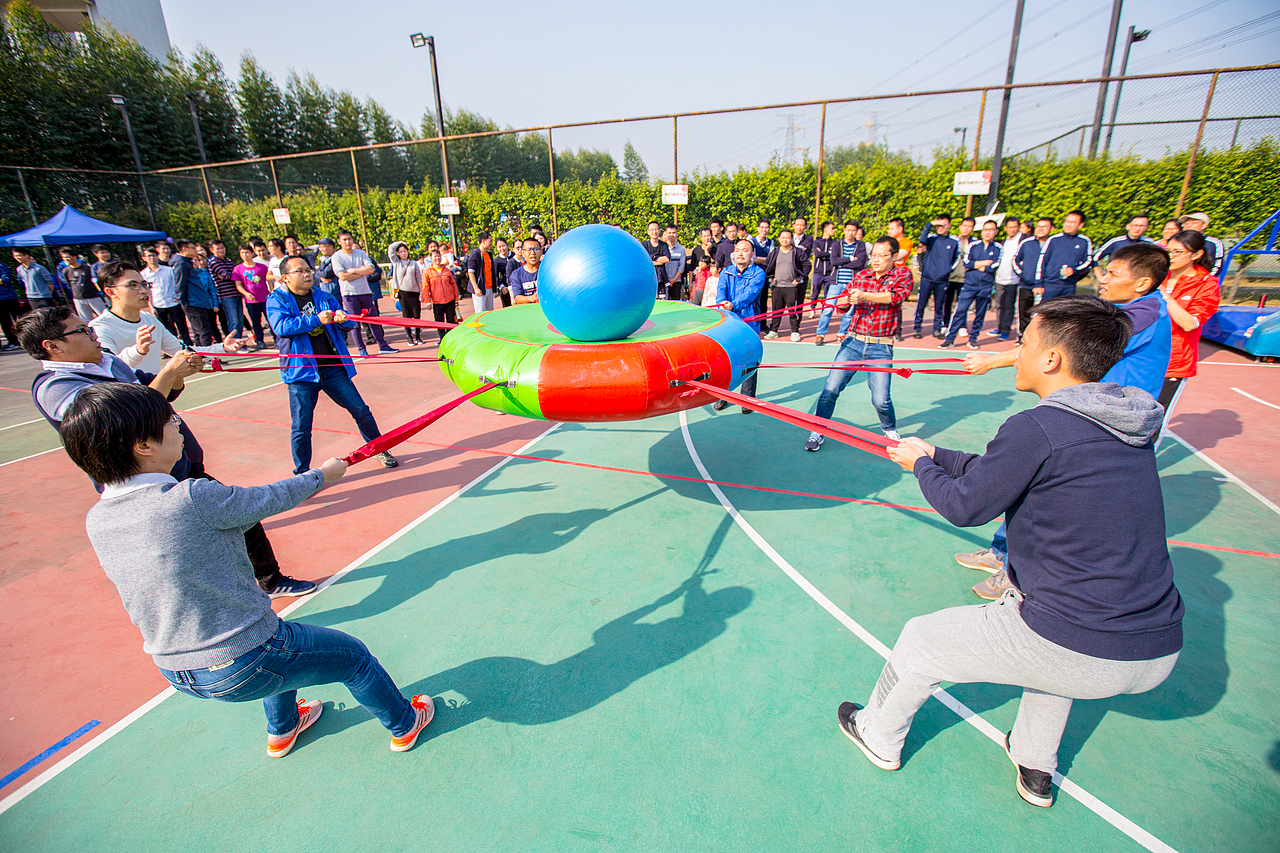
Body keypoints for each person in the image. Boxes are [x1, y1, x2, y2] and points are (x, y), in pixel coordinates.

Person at [841, 294, 1182, 809]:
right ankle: (1035, 761)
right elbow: (1007, 471)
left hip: (1085, 644)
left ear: (1051, 358)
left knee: (922, 639)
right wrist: (938, 454)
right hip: (1156, 645)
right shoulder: (1122, 423)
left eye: (1023, 343)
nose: (1016, 354)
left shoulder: (1038, 426)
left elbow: (965, 505)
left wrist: (920, 467)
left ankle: (876, 734)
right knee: (1056, 651)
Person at [62, 382, 433, 757]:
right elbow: (271, 498)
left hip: (176, 670)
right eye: (170, 419)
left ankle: (283, 728)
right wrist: (323, 475)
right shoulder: (191, 497)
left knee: (285, 647)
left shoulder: (98, 519)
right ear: (144, 445)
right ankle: (405, 723)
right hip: (244, 660)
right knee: (351, 658)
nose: (177, 424)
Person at [21, 304, 314, 598]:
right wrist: (169, 372)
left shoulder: (108, 362)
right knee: (193, 549)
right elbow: (126, 420)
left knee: (244, 518)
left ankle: (269, 580)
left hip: (178, 465)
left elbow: (155, 388)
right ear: (53, 346)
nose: (93, 334)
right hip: (144, 484)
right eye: (83, 331)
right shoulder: (56, 387)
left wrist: (178, 373)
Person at [957, 242, 1172, 596]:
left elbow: (1057, 345)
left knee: (1049, 497)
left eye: (1113, 273)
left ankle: (1018, 572)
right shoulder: (1141, 308)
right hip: (1097, 413)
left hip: (1104, 422)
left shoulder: (1139, 316)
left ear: (1142, 282)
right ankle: (1003, 554)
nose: (1103, 279)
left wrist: (991, 361)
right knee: (1037, 486)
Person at [266, 254, 399, 474]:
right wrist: (316, 319)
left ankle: (378, 449)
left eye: (308, 270)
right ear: (286, 277)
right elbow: (282, 327)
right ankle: (302, 474)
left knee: (361, 411)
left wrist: (342, 319)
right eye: (300, 271)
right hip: (302, 373)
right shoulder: (277, 300)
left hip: (333, 368)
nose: (307, 274)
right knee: (301, 426)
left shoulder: (323, 296)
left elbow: (345, 324)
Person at [804, 236, 910, 451]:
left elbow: (896, 296)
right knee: (830, 390)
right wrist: (845, 299)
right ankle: (818, 430)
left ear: (894, 256)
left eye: (882, 256)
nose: (876, 260)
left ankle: (889, 430)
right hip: (853, 342)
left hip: (881, 347)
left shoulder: (902, 274)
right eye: (874, 255)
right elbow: (842, 304)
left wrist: (864, 296)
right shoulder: (861, 276)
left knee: (881, 399)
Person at [91, 260, 241, 374]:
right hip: (128, 403)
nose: (143, 291)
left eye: (144, 284)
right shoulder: (99, 328)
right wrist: (137, 351)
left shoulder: (149, 319)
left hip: (155, 397)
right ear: (111, 292)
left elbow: (184, 351)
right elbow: (108, 368)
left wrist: (222, 347)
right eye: (133, 285)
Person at [1155, 230, 1220, 449]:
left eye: (1178, 252)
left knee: (1153, 420)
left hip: (1173, 363)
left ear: (1196, 254)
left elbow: (1189, 323)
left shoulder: (1206, 284)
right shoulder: (1157, 275)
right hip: (1143, 356)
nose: (1171, 256)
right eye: (1168, 251)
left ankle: (1143, 465)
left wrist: (1164, 295)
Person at [712, 240, 766, 414]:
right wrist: (722, 303)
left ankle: (747, 399)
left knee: (749, 360)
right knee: (725, 359)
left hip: (749, 322)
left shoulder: (758, 273)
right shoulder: (726, 272)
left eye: (745, 250)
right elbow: (721, 292)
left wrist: (733, 305)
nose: (740, 253)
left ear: (753, 254)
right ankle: (723, 396)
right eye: (737, 250)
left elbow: (750, 294)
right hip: (727, 321)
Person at [333, 230, 396, 355]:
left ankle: (383, 345)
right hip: (349, 294)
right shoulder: (337, 256)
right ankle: (362, 349)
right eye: (344, 239)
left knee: (374, 320)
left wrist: (352, 270)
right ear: (339, 241)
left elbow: (371, 269)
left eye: (349, 239)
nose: (347, 242)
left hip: (365, 292)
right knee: (355, 323)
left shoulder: (361, 253)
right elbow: (342, 276)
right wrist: (361, 271)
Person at [942, 220, 1001, 350]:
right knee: (960, 311)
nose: (988, 232)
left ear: (996, 231)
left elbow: (994, 265)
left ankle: (973, 339)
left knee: (980, 314)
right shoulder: (973, 245)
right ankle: (949, 339)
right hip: (969, 285)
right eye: (985, 230)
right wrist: (983, 263)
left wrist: (979, 265)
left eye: (991, 230)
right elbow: (967, 263)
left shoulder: (998, 248)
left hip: (986, 286)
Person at [815, 221, 868, 346]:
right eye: (848, 230)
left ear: (856, 232)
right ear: (844, 230)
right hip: (836, 283)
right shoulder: (837, 244)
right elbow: (834, 261)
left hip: (852, 285)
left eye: (853, 230)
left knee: (849, 312)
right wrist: (850, 259)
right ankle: (820, 334)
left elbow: (860, 263)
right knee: (828, 309)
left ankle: (841, 334)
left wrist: (842, 262)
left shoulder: (860, 246)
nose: (850, 233)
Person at [915, 216, 960, 339]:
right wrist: (930, 224)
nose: (941, 228)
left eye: (943, 225)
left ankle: (937, 329)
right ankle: (917, 328)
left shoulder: (954, 241)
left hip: (942, 280)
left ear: (949, 225)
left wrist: (947, 270)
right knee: (921, 304)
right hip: (927, 277)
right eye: (938, 225)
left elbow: (956, 258)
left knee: (939, 305)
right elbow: (922, 239)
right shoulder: (931, 239)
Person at [762, 229, 810, 341]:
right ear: (779, 239)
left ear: (792, 239)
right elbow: (766, 266)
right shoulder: (775, 252)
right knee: (776, 310)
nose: (785, 240)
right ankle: (774, 331)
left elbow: (807, 265)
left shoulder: (797, 252)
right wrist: (770, 278)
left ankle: (795, 331)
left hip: (791, 287)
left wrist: (800, 278)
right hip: (777, 287)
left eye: (788, 237)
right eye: (783, 237)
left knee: (793, 311)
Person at [1035, 210, 1093, 299]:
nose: (1068, 224)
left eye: (1072, 222)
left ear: (1080, 225)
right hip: (1050, 285)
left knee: (1066, 307)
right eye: (1067, 221)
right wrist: (1038, 283)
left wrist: (1074, 270)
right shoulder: (1053, 239)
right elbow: (1042, 261)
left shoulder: (1084, 241)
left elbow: (1088, 261)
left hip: (1069, 286)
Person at [172, 239, 219, 347]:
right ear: (184, 249)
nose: (195, 250)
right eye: (192, 248)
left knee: (199, 332)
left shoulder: (187, 262)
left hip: (198, 301)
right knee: (204, 331)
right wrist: (185, 302)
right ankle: (207, 355)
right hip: (193, 303)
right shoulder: (182, 264)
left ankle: (199, 354)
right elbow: (180, 285)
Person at [141, 246, 191, 346]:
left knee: (182, 326)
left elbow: (176, 284)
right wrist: (151, 306)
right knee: (166, 328)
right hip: (158, 304)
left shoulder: (168, 270)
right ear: (144, 258)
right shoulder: (143, 274)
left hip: (173, 302)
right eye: (149, 256)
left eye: (154, 255)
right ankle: (173, 347)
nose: (152, 258)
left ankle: (188, 345)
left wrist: (178, 297)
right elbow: (147, 291)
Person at [1013, 218, 1052, 341]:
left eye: (1044, 226)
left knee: (1042, 314)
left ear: (1051, 228)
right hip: (1026, 284)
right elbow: (1015, 260)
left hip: (1045, 286)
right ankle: (1022, 338)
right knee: (1024, 312)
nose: (1040, 229)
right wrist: (1023, 274)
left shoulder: (1054, 243)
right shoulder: (1026, 243)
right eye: (1039, 226)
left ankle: (1040, 340)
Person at [989, 217, 1025, 341]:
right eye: (1009, 227)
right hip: (1000, 278)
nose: (1012, 229)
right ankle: (999, 327)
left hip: (1013, 280)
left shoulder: (1022, 241)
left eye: (1014, 227)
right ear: (1005, 228)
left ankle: (1005, 330)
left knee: (1008, 306)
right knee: (999, 305)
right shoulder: (1003, 241)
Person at [233, 244, 272, 350]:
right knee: (256, 322)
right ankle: (260, 341)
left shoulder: (262, 267)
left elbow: (269, 280)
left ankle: (276, 339)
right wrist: (246, 293)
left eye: (247, 252)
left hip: (265, 298)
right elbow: (238, 285)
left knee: (270, 320)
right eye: (242, 253)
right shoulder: (238, 269)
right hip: (251, 301)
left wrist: (271, 292)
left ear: (252, 253)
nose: (245, 255)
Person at [388, 241, 425, 346]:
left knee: (417, 316)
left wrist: (421, 292)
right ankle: (409, 337)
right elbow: (390, 249)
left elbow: (418, 278)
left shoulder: (413, 263)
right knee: (406, 316)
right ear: (398, 253)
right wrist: (400, 243)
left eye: (405, 251)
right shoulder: (396, 262)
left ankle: (418, 336)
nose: (403, 253)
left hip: (414, 293)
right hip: (403, 293)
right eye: (401, 252)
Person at [59, 247, 107, 322]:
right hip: (78, 298)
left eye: (68, 257)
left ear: (74, 257)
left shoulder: (88, 268)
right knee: (86, 320)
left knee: (104, 316)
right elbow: (69, 284)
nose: (66, 259)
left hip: (93, 296)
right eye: (64, 258)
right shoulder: (66, 271)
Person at [207, 240, 243, 340]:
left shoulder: (228, 260)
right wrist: (234, 275)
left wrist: (234, 275)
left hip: (236, 292)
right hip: (226, 295)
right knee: (233, 321)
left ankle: (239, 341)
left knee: (240, 320)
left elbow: (236, 273)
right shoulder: (213, 262)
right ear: (212, 250)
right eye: (217, 248)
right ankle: (235, 342)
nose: (221, 250)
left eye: (222, 248)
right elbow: (226, 275)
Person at [945, 217, 975, 332]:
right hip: (951, 276)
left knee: (963, 304)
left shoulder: (975, 243)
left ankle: (962, 325)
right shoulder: (953, 240)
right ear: (960, 227)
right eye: (964, 226)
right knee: (947, 302)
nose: (966, 229)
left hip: (965, 278)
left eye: (969, 226)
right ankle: (945, 324)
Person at [808, 221, 840, 324]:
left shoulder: (835, 243)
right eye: (832, 228)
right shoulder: (817, 241)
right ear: (826, 229)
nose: (834, 230)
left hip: (830, 272)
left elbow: (834, 255)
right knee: (815, 291)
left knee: (827, 293)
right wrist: (828, 253)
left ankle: (824, 312)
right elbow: (817, 254)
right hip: (818, 272)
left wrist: (825, 253)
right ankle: (812, 309)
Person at [424, 247, 460, 337]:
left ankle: (450, 338)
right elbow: (425, 287)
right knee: (439, 321)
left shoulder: (447, 270)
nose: (437, 258)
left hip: (450, 300)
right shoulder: (428, 271)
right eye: (435, 256)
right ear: (431, 258)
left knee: (451, 320)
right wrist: (427, 301)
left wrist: (456, 299)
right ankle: (442, 338)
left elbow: (453, 285)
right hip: (437, 301)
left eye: (439, 256)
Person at [465, 231, 498, 314]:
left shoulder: (489, 254)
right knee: (480, 313)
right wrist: (476, 288)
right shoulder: (475, 255)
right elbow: (470, 272)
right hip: (480, 288)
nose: (491, 243)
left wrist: (494, 287)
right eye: (490, 241)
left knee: (490, 312)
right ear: (483, 241)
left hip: (489, 287)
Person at [509, 238, 541, 305]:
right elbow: (517, 298)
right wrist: (531, 298)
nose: (532, 253)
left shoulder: (547, 270)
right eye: (529, 249)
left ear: (541, 251)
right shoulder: (516, 274)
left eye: (536, 249)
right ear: (523, 253)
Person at [642, 222, 669, 299]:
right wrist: (659, 261)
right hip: (648, 276)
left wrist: (653, 258)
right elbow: (644, 261)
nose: (654, 232)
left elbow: (667, 259)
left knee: (662, 299)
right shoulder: (644, 245)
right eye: (652, 230)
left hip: (661, 277)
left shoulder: (664, 245)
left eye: (656, 229)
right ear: (648, 232)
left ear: (659, 231)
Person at [661, 225, 687, 302]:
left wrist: (673, 280)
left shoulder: (681, 249)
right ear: (665, 233)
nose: (671, 235)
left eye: (674, 233)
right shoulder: (662, 248)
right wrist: (667, 279)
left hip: (676, 281)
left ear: (677, 234)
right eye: (669, 233)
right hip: (664, 280)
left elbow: (681, 267)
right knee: (664, 302)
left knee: (675, 302)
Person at [0, 260, 21, 349]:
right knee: (5, 322)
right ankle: (13, 342)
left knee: (19, 319)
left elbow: (6, 279)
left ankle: (27, 338)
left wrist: (2, 281)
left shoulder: (2, 266)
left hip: (9, 297)